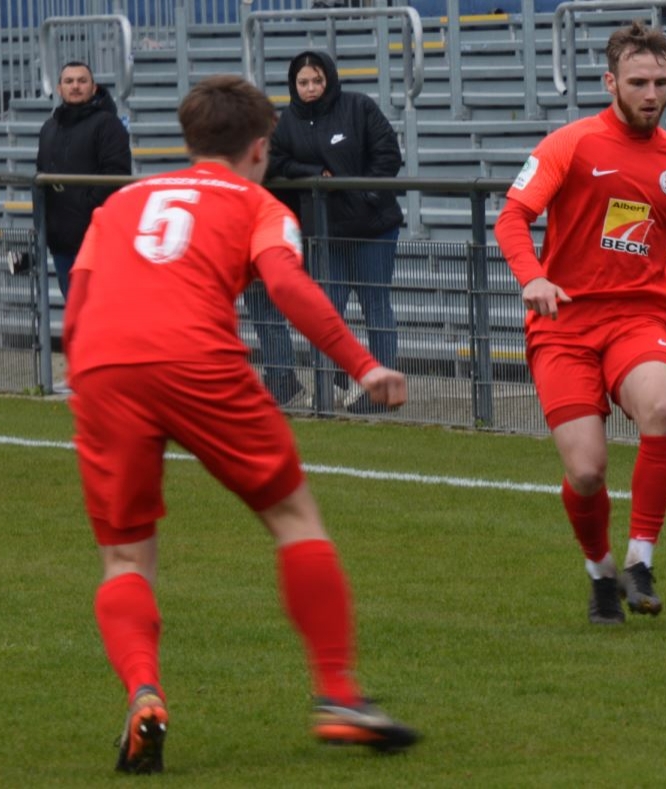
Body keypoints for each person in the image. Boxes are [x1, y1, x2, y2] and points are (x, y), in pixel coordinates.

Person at [63, 75, 419, 773]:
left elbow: (77, 308)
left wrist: (96, 384)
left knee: (126, 558)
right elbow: (286, 284)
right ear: (261, 147)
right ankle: (339, 695)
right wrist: (362, 364)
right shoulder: (259, 203)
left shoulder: (119, 203)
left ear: (189, 139)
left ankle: (144, 693)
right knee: (294, 518)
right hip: (198, 359)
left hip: (103, 368)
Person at [494, 22, 666, 625]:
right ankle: (601, 572)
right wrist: (532, 277)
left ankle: (640, 560)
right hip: (564, 325)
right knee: (586, 471)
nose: (651, 94)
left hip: (638, 318)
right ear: (611, 82)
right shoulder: (570, 144)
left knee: (661, 408)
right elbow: (511, 217)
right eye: (638, 83)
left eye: (661, 82)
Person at [269, 50, 405, 413]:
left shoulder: (359, 107)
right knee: (326, 311)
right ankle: (330, 383)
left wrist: (365, 196)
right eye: (303, 82)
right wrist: (311, 172)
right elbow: (275, 162)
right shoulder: (288, 122)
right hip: (326, 234)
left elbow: (388, 154)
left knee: (376, 306)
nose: (311, 88)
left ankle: (383, 393)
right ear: (293, 85)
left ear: (328, 79)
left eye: (317, 80)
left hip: (373, 229)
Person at [36, 61, 132, 299]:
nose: (75, 86)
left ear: (93, 87)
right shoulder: (49, 128)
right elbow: (42, 177)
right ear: (59, 89)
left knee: (100, 311)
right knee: (75, 310)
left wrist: (84, 208)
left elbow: (116, 177)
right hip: (61, 242)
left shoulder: (108, 125)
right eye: (69, 81)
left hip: (97, 241)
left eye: (82, 81)